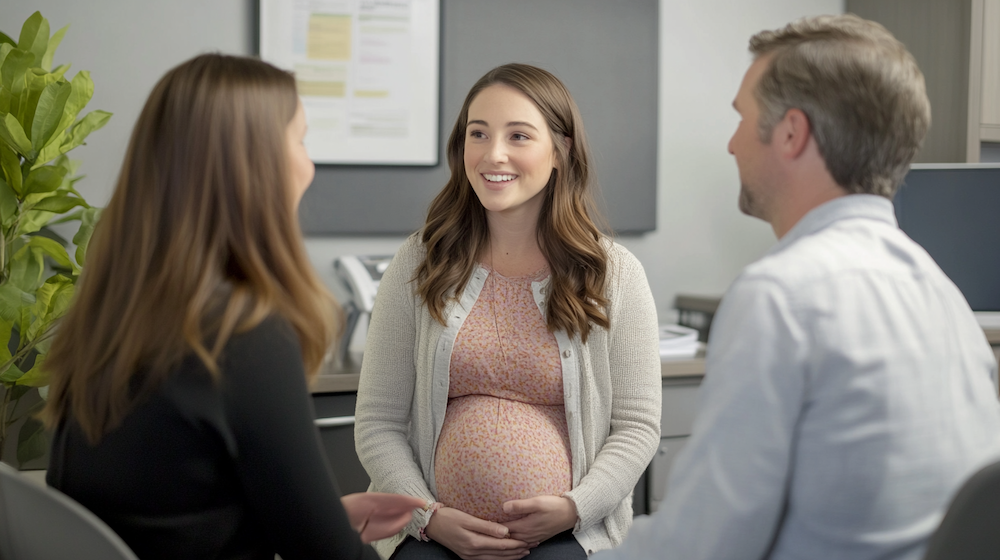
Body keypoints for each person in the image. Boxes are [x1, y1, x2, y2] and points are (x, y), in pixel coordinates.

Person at [594, 14, 1000, 560]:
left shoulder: (781, 296)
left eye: (742, 117)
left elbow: (703, 546)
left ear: (791, 133)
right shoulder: (944, 296)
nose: (733, 144)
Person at [42, 53, 424, 560]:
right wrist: (324, 531)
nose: (309, 165)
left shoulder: (116, 315)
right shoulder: (241, 337)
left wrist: (317, 515)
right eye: (302, 140)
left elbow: (173, 507)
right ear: (255, 166)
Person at [353, 63, 661, 559]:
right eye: (479, 134)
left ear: (560, 151)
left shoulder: (615, 274)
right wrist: (427, 517)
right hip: (432, 532)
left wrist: (574, 508)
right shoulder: (419, 262)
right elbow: (377, 423)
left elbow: (637, 426)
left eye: (519, 135)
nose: (494, 154)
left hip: (568, 534)